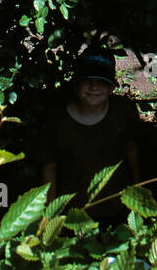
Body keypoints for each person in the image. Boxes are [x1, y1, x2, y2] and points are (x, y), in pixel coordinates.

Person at [38, 49, 141, 225]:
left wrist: (139, 194)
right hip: (73, 215)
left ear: (111, 88)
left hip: (118, 210)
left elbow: (133, 153)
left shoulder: (122, 114)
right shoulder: (58, 122)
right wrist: (49, 218)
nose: (94, 87)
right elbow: (49, 168)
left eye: (101, 82)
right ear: (76, 85)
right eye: (88, 81)